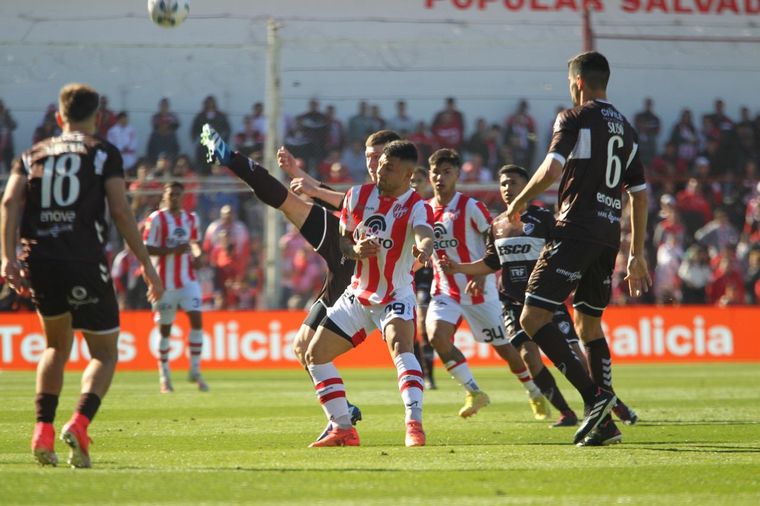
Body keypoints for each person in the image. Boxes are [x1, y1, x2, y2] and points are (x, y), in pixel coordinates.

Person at [200, 127, 403, 442]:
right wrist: (300, 175)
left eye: (378, 157)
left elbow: (349, 203)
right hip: (343, 248)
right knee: (286, 202)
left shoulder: (405, 196)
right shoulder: (362, 194)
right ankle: (231, 158)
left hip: (370, 286)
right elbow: (346, 203)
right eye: (368, 157)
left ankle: (349, 418)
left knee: (312, 350)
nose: (371, 163)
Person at [0, 83, 163, 468]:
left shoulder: (32, 153)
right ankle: (80, 422)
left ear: (59, 117)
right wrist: (147, 264)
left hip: (39, 260)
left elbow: (9, 201)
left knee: (56, 346)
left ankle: (42, 429)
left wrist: (7, 258)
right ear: (99, 118)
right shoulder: (102, 153)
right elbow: (121, 212)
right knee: (104, 352)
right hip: (85, 260)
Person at [505, 51, 650, 446]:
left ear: (579, 82)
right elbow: (639, 195)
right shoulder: (628, 130)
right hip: (607, 237)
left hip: (574, 229)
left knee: (532, 318)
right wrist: (636, 252)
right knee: (588, 323)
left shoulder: (573, 117)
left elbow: (551, 169)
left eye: (571, 83)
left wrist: (519, 203)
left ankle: (595, 398)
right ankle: (605, 426)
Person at [305, 140, 434, 447]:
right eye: (378, 165)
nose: (379, 171)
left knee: (402, 348)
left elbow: (425, 232)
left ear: (408, 174)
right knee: (315, 355)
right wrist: (356, 251)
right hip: (358, 295)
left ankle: (414, 424)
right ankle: (343, 428)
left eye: (388, 167)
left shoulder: (417, 205)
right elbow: (344, 243)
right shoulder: (356, 196)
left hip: (395, 295)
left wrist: (425, 249)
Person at [442, 165, 580, 427]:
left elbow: (565, 251)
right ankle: (566, 412)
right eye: (503, 183)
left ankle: (605, 402)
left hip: (546, 299)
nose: (507, 188)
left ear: (528, 186)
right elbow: (491, 263)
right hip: (513, 303)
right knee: (529, 357)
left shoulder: (543, 218)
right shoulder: (497, 224)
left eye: (514, 183)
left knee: (573, 353)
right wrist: (459, 268)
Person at [423, 149, 550, 420]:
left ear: (457, 174)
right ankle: (474, 391)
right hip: (445, 289)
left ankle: (534, 392)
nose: (439, 177)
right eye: (435, 171)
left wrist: (482, 274)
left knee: (506, 349)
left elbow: (496, 241)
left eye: (446, 172)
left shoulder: (470, 206)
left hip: (480, 291)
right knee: (436, 336)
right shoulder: (424, 210)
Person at [143, 182, 208, 393]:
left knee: (197, 320)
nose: (175, 198)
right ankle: (165, 377)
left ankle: (195, 370)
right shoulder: (156, 219)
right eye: (171, 194)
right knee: (165, 330)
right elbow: (147, 249)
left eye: (178, 195)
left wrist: (198, 256)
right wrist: (173, 250)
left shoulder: (191, 218)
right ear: (164, 196)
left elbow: (195, 242)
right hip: (164, 284)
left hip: (188, 280)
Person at [409, 166, 437, 389]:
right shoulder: (401, 208)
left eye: (418, 180)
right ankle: (417, 373)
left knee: (422, 322)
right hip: (403, 275)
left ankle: (429, 375)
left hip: (428, 273)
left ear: (427, 183)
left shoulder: (432, 209)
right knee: (407, 329)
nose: (414, 185)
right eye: (411, 181)